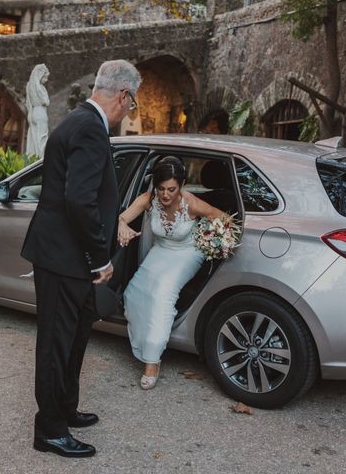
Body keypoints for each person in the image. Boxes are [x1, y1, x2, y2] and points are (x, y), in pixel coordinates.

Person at [21, 59, 142, 458]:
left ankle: (66, 408)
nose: (130, 110)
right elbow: (79, 200)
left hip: (65, 256)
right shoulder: (90, 127)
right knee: (56, 343)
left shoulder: (77, 120)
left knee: (75, 336)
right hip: (65, 258)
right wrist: (98, 259)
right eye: (133, 102)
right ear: (124, 95)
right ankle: (50, 429)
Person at [117, 156, 227, 390]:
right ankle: (147, 339)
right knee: (132, 294)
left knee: (161, 293)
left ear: (182, 184)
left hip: (188, 253)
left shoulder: (193, 203)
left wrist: (210, 240)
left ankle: (152, 361)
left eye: (171, 189)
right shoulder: (149, 199)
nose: (166, 195)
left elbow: (223, 219)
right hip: (162, 250)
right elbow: (123, 217)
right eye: (161, 189)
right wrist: (123, 227)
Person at [25, 64, 50, 158]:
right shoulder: (40, 88)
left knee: (34, 136)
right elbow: (45, 101)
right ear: (40, 75)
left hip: (34, 112)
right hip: (40, 113)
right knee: (42, 137)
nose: (46, 80)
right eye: (45, 77)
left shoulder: (30, 85)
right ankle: (41, 158)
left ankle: (33, 156)